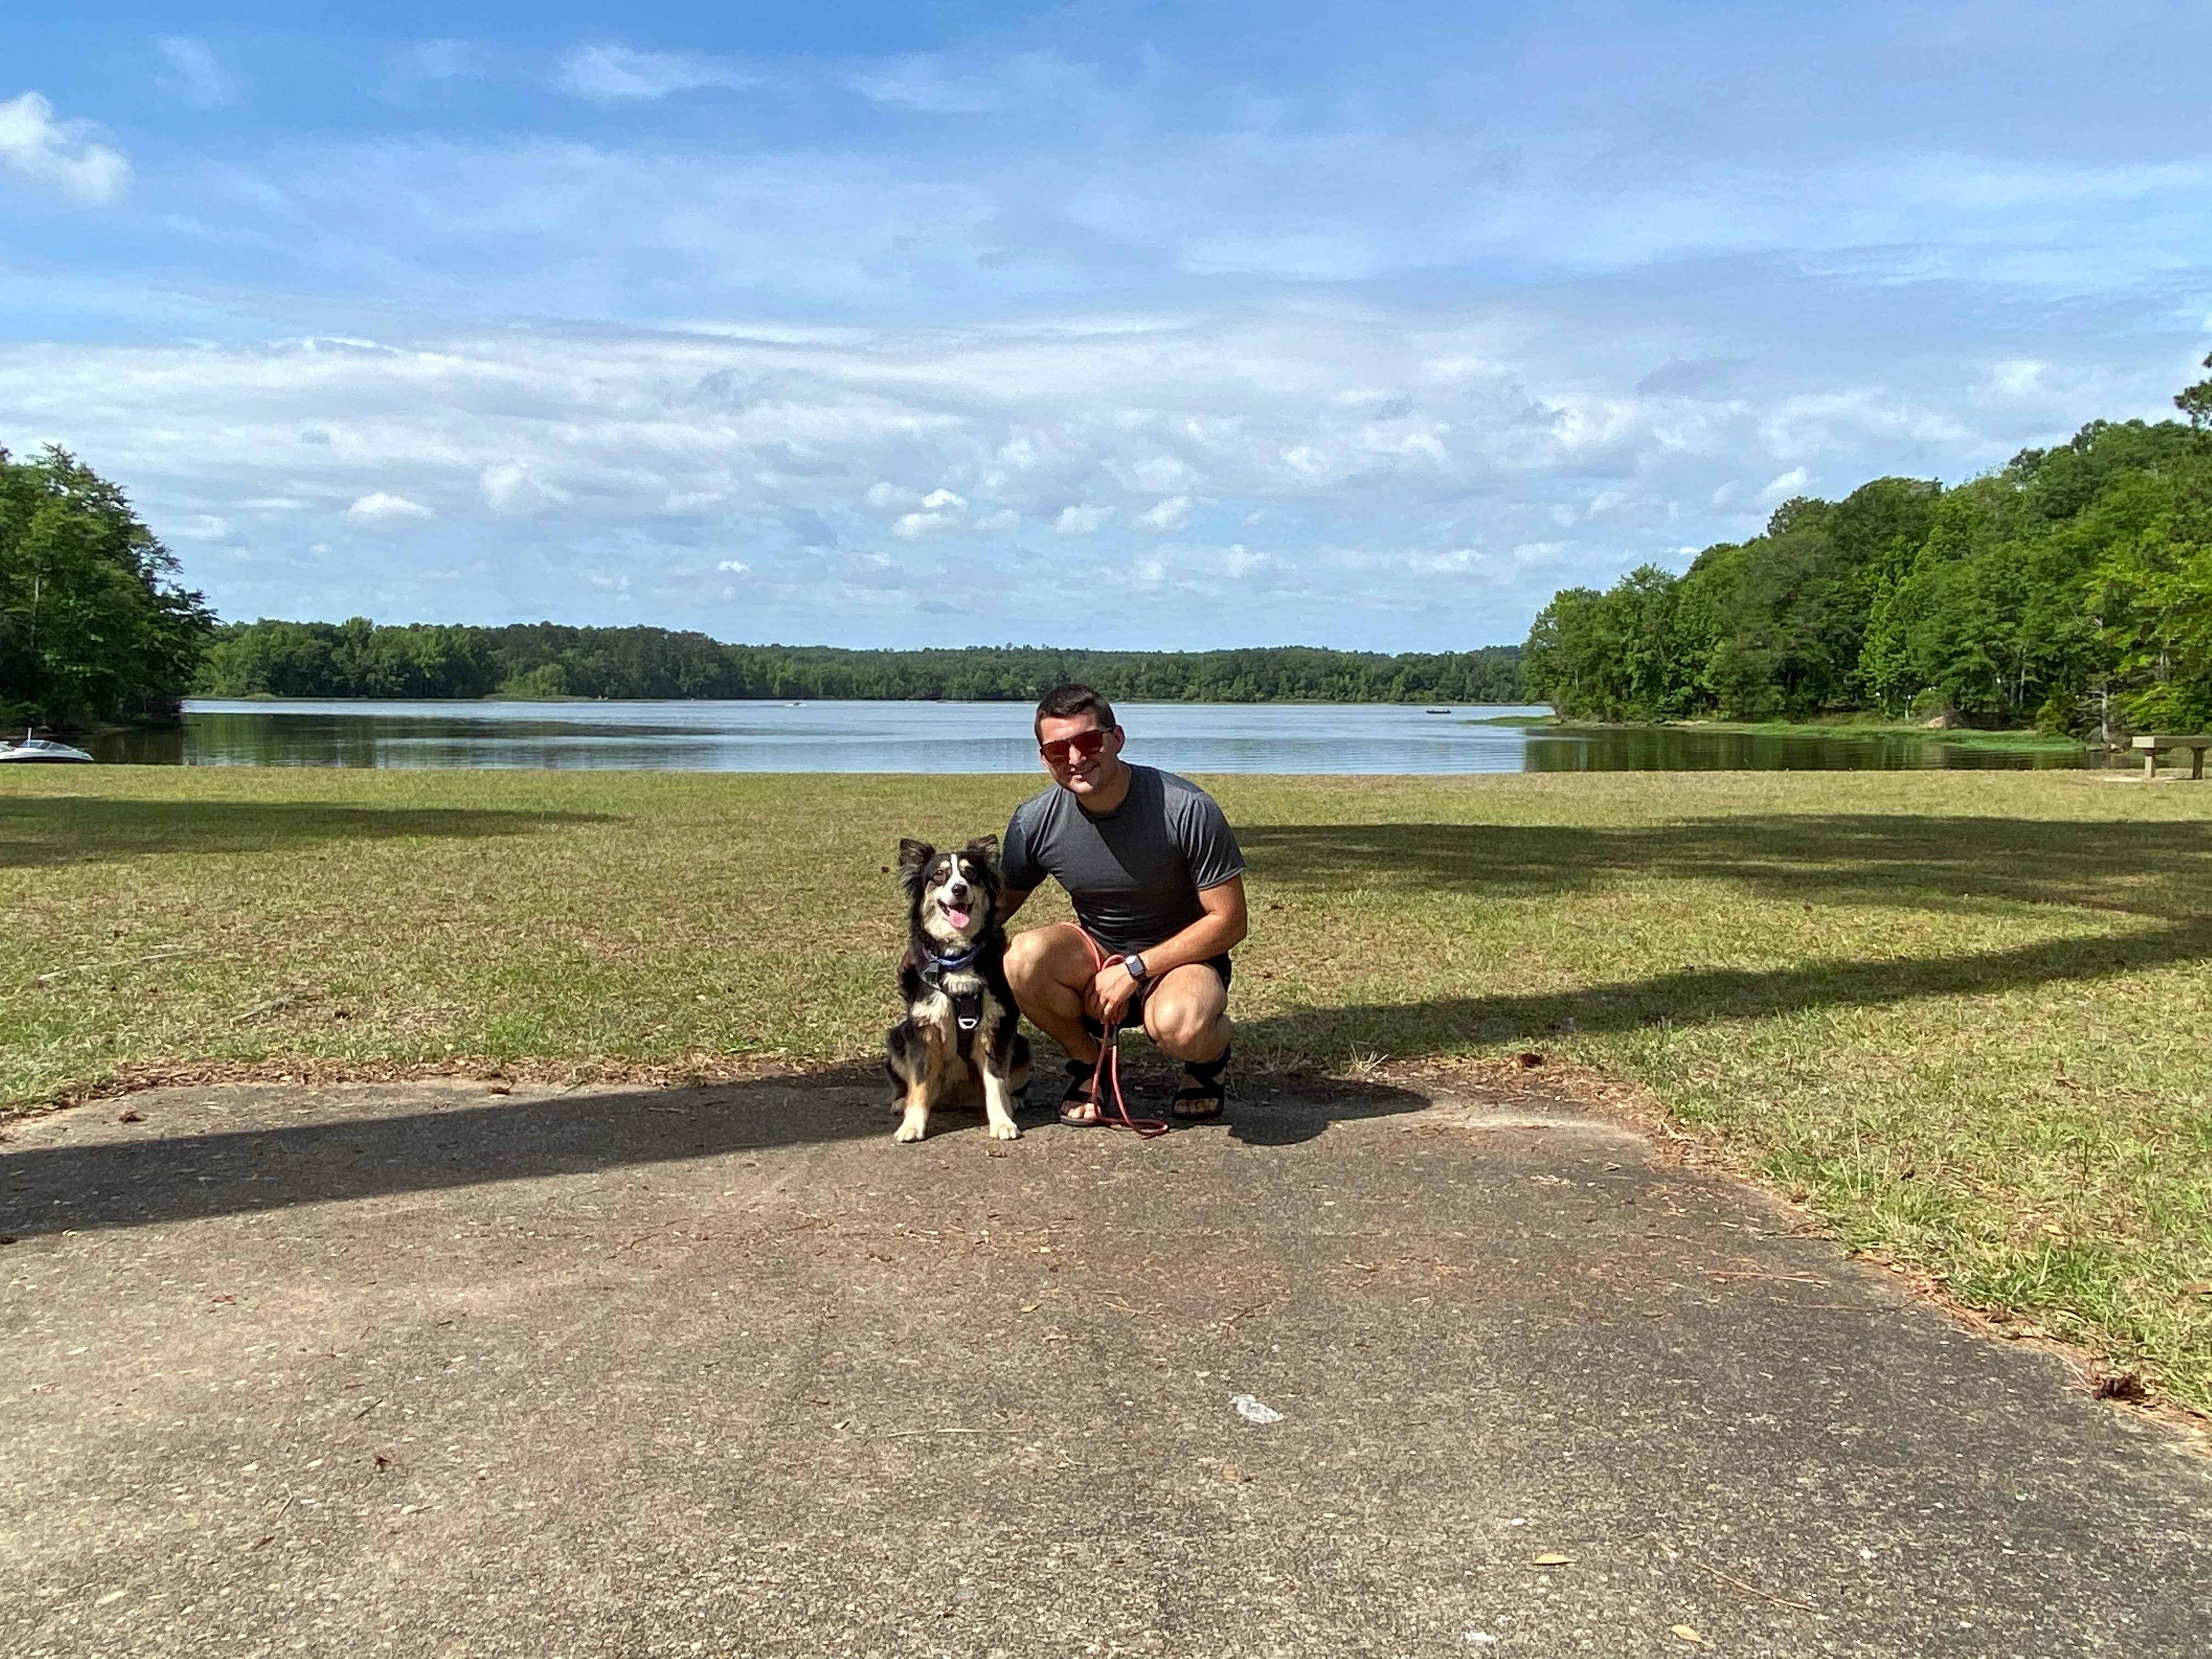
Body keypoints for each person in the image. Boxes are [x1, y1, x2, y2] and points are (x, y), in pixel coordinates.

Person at [998, 684, 1247, 1124]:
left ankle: (1209, 1059)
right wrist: (927, 948)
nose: (1075, 759)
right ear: (1043, 758)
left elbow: (1229, 922)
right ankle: (1088, 1059)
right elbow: (995, 908)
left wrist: (1136, 969)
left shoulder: (1186, 808)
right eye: (1058, 750)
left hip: (1181, 962)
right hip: (1097, 959)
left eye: (1088, 741)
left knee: (1183, 1028)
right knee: (1021, 958)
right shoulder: (1035, 820)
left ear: (1116, 739)